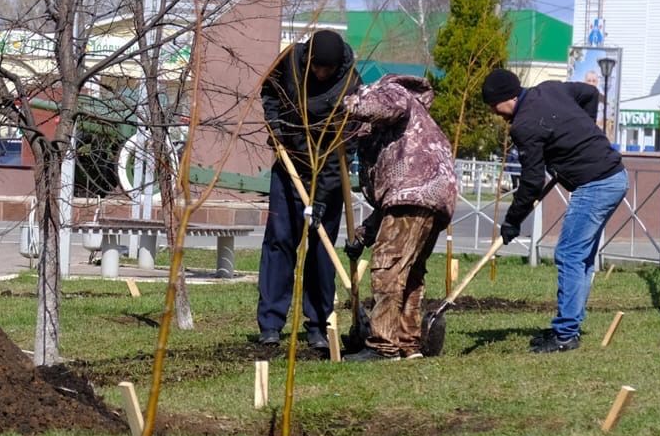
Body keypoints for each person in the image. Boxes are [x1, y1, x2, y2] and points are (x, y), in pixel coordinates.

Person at [482, 67, 629, 353]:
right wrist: (584, 131)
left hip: (596, 184)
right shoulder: (551, 88)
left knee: (570, 254)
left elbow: (532, 182)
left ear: (508, 98)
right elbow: (590, 94)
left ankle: (565, 335)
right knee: (581, 256)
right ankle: (568, 326)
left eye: (493, 105)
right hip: (615, 177)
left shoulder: (524, 125)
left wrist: (512, 221)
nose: (493, 112)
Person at [340, 75, 459, 360]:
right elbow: (390, 202)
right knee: (410, 271)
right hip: (432, 196)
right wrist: (364, 235)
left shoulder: (390, 92)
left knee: (388, 267)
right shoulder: (399, 133)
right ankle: (408, 343)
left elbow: (389, 104)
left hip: (417, 192)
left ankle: (384, 346)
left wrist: (346, 105)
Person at [258, 27, 357, 352]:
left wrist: (322, 201)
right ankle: (271, 324)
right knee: (280, 243)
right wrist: (275, 127)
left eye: (324, 69)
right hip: (288, 167)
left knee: (321, 251)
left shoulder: (350, 84)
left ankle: (317, 325)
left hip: (327, 173)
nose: (318, 73)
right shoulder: (289, 61)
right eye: (315, 66)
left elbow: (344, 149)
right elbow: (269, 93)